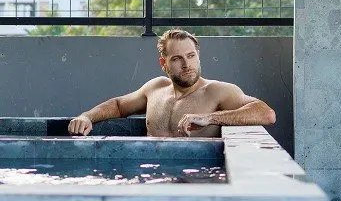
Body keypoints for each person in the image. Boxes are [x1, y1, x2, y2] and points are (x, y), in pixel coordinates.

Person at [68, 29, 276, 137]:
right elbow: (118, 105)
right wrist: (87, 117)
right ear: (164, 64)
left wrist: (210, 118)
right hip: (152, 174)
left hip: (195, 179)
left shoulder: (216, 91)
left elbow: (266, 113)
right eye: (177, 59)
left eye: (191, 56)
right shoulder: (155, 88)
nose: (187, 64)